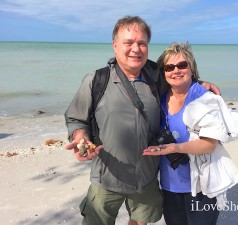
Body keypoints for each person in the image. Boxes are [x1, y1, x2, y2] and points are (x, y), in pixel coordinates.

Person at [65, 16, 220, 225]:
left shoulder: (156, 77)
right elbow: (76, 118)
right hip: (107, 178)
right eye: (128, 43)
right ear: (115, 45)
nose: (135, 49)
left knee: (139, 222)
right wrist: (81, 138)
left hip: (146, 179)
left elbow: (178, 76)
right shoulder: (96, 80)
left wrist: (200, 83)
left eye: (142, 43)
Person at [143, 42, 238, 225]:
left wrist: (175, 148)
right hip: (169, 185)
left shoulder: (203, 97)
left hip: (200, 186)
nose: (176, 71)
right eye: (169, 67)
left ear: (192, 69)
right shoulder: (161, 95)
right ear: (163, 72)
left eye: (182, 65)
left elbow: (209, 144)